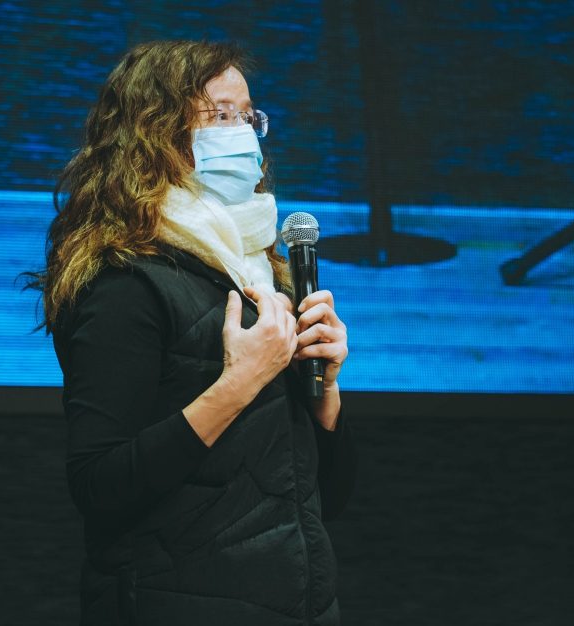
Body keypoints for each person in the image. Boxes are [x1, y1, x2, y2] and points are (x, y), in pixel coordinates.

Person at [39, 40, 357, 625]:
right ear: (154, 133)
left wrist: (325, 391)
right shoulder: (124, 283)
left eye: (249, 116)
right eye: (219, 116)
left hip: (299, 602)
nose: (243, 134)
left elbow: (324, 499)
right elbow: (99, 489)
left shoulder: (258, 270)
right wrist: (240, 384)